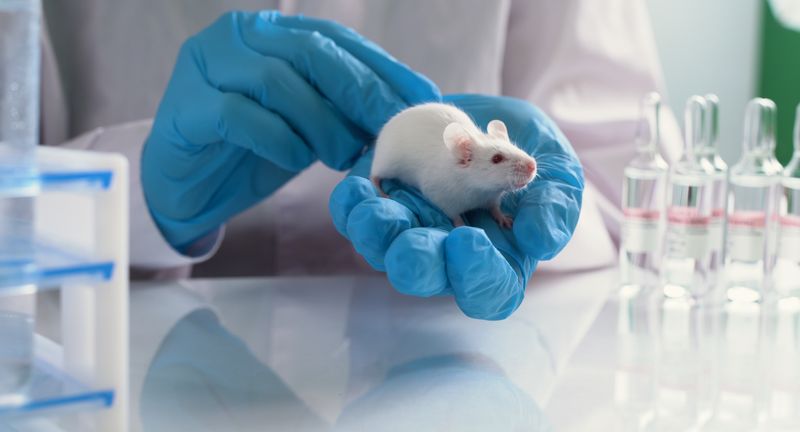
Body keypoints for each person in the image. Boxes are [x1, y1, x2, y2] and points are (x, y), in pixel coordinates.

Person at [40, 0, 680, 319]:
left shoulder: (480, 163)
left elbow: (638, 187)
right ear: (465, 154)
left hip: (450, 377)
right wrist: (126, 205)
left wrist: (545, 215)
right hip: (136, 359)